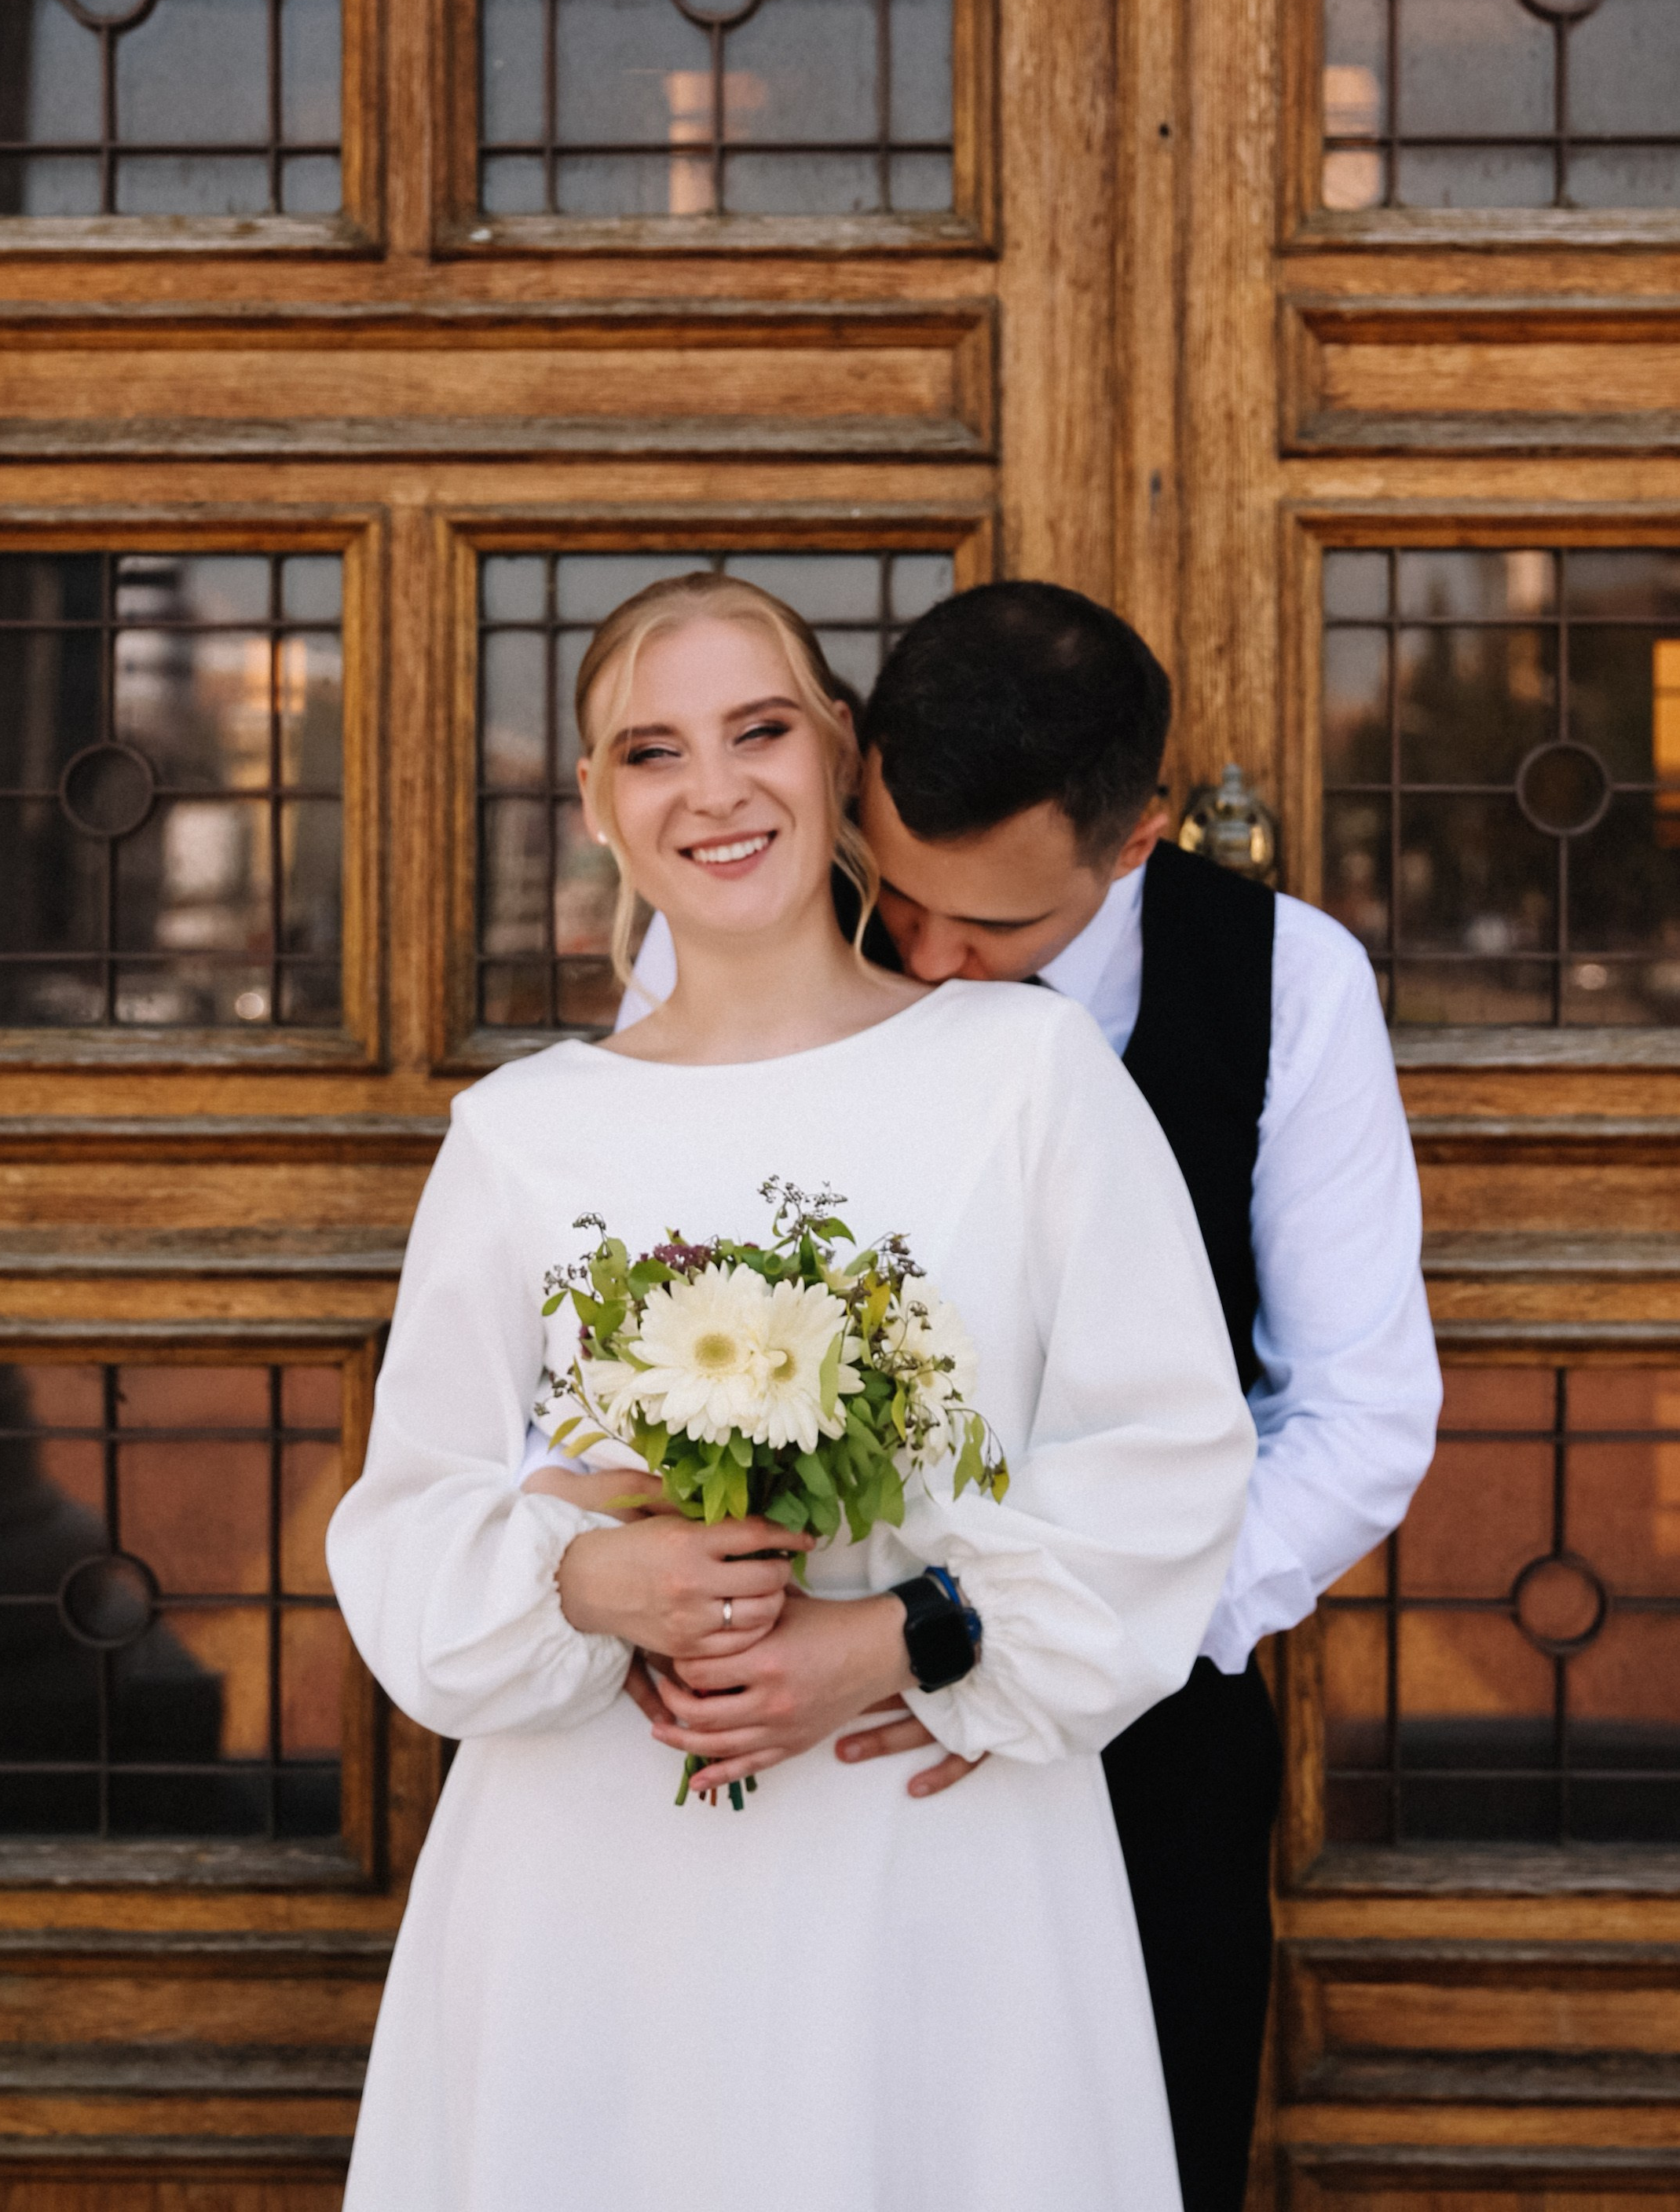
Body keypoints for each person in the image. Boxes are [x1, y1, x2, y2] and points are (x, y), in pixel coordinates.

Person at [328, 571, 1256, 2212]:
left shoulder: (1029, 1079)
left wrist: (909, 1636)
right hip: (599, 1868)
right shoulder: (522, 1134)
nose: (716, 788)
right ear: (602, 809)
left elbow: (1166, 1457)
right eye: (652, 750)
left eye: (759, 729)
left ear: (840, 755)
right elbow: (410, 1516)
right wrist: (585, 1575)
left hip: (926, 1837)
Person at [622, 579, 1441, 2212]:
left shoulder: (1290, 984)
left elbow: (1355, 1417)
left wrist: (1028, 1650)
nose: (924, 955)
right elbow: (642, 1332)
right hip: (784, 1740)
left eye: (991, 931)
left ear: (1134, 839)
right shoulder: (722, 942)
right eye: (902, 895)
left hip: (1137, 1748)